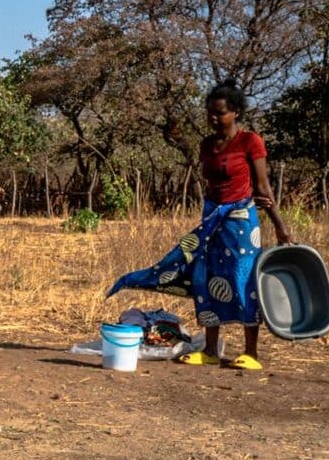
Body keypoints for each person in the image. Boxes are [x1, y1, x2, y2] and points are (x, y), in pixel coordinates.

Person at [108, 82, 293, 370]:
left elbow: (263, 187)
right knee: (206, 280)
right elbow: (210, 183)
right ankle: (209, 349)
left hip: (241, 220)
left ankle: (251, 353)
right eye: (210, 113)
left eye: (220, 113)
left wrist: (280, 227)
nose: (213, 118)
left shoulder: (250, 141)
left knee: (243, 281)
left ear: (236, 112)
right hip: (211, 219)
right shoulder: (207, 145)